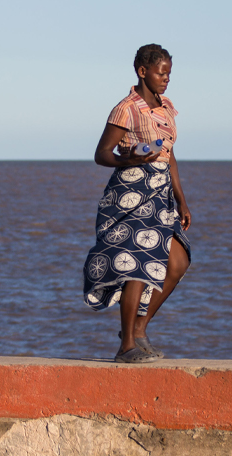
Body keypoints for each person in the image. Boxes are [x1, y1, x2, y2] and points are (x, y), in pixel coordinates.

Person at [82, 44, 192, 364]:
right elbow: (101, 153)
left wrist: (182, 200)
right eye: (161, 72)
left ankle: (139, 329)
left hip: (161, 195)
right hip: (130, 193)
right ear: (143, 72)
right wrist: (125, 158)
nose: (166, 79)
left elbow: (169, 156)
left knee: (177, 263)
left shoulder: (166, 107)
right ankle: (126, 346)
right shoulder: (126, 108)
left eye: (169, 73)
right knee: (137, 264)